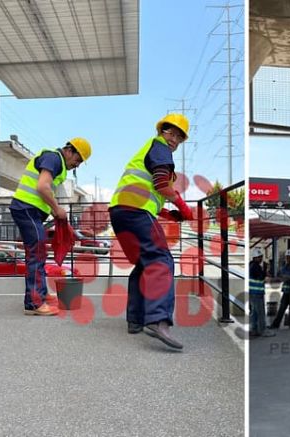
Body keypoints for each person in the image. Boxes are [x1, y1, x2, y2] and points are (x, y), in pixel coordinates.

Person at [109, 113, 194, 350]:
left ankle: (135, 320)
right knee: (161, 260)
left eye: (179, 137)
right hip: (136, 211)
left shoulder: (148, 149)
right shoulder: (159, 147)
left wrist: (167, 214)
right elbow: (160, 185)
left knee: (144, 263)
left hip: (121, 211)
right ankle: (157, 319)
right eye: (171, 133)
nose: (174, 139)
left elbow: (149, 191)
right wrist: (183, 206)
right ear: (161, 131)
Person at [10, 138, 91, 316]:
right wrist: (56, 208)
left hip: (29, 210)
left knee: (39, 253)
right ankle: (33, 303)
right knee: (36, 254)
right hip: (26, 209)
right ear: (69, 150)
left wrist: (53, 211)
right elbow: (42, 186)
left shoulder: (56, 163)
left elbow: (44, 189)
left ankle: (41, 294)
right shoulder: (53, 159)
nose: (76, 165)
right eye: (77, 160)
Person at [268, 249, 290, 329]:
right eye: (287, 257)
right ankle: (275, 325)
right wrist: (283, 277)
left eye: (289, 257)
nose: (288, 259)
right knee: (282, 307)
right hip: (286, 290)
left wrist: (285, 276)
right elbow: (280, 275)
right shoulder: (285, 266)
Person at [249, 248, 275, 338]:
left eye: (261, 257)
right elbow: (261, 277)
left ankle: (254, 329)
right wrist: (265, 271)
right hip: (257, 293)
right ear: (255, 257)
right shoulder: (255, 267)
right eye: (259, 257)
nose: (261, 259)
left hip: (253, 293)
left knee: (255, 312)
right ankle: (263, 330)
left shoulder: (251, 265)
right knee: (260, 312)